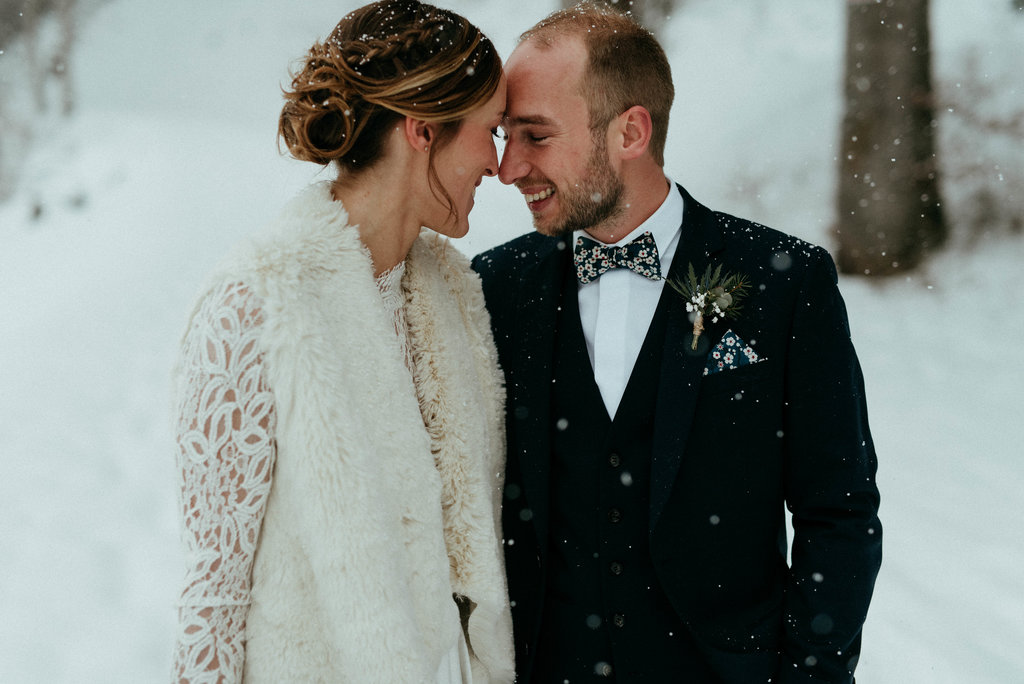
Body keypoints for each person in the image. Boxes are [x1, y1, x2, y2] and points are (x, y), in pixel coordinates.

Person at [472, 4, 882, 683]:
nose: (510, 168)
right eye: (504, 136)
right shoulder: (493, 289)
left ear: (631, 131)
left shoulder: (781, 283)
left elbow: (837, 511)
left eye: (535, 136)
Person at [170, 2, 515, 681]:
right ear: (421, 129)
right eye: (491, 131)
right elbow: (214, 592)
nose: (498, 165)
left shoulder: (454, 292)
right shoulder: (254, 306)